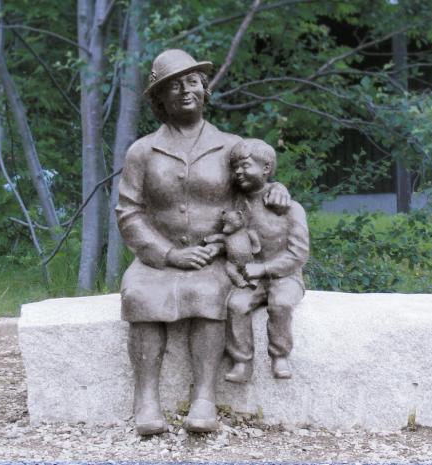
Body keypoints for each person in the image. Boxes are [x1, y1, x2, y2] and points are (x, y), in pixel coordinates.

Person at [115, 49, 289, 435]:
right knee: (139, 297)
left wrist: (278, 190)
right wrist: (168, 254)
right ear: (159, 99)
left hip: (215, 255)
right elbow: (129, 212)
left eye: (192, 82)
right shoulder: (142, 151)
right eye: (173, 86)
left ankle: (204, 398)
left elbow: (256, 185)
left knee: (210, 294)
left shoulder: (232, 146)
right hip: (157, 257)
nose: (185, 90)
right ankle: (145, 399)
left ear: (205, 89)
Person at [217, 139, 309, 383]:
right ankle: (241, 361)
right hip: (251, 277)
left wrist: (265, 268)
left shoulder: (290, 208)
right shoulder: (237, 205)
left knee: (280, 304)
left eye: (245, 165)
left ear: (267, 168)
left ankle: (279, 355)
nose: (238, 171)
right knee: (236, 305)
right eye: (235, 166)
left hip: (284, 277)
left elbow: (298, 253)